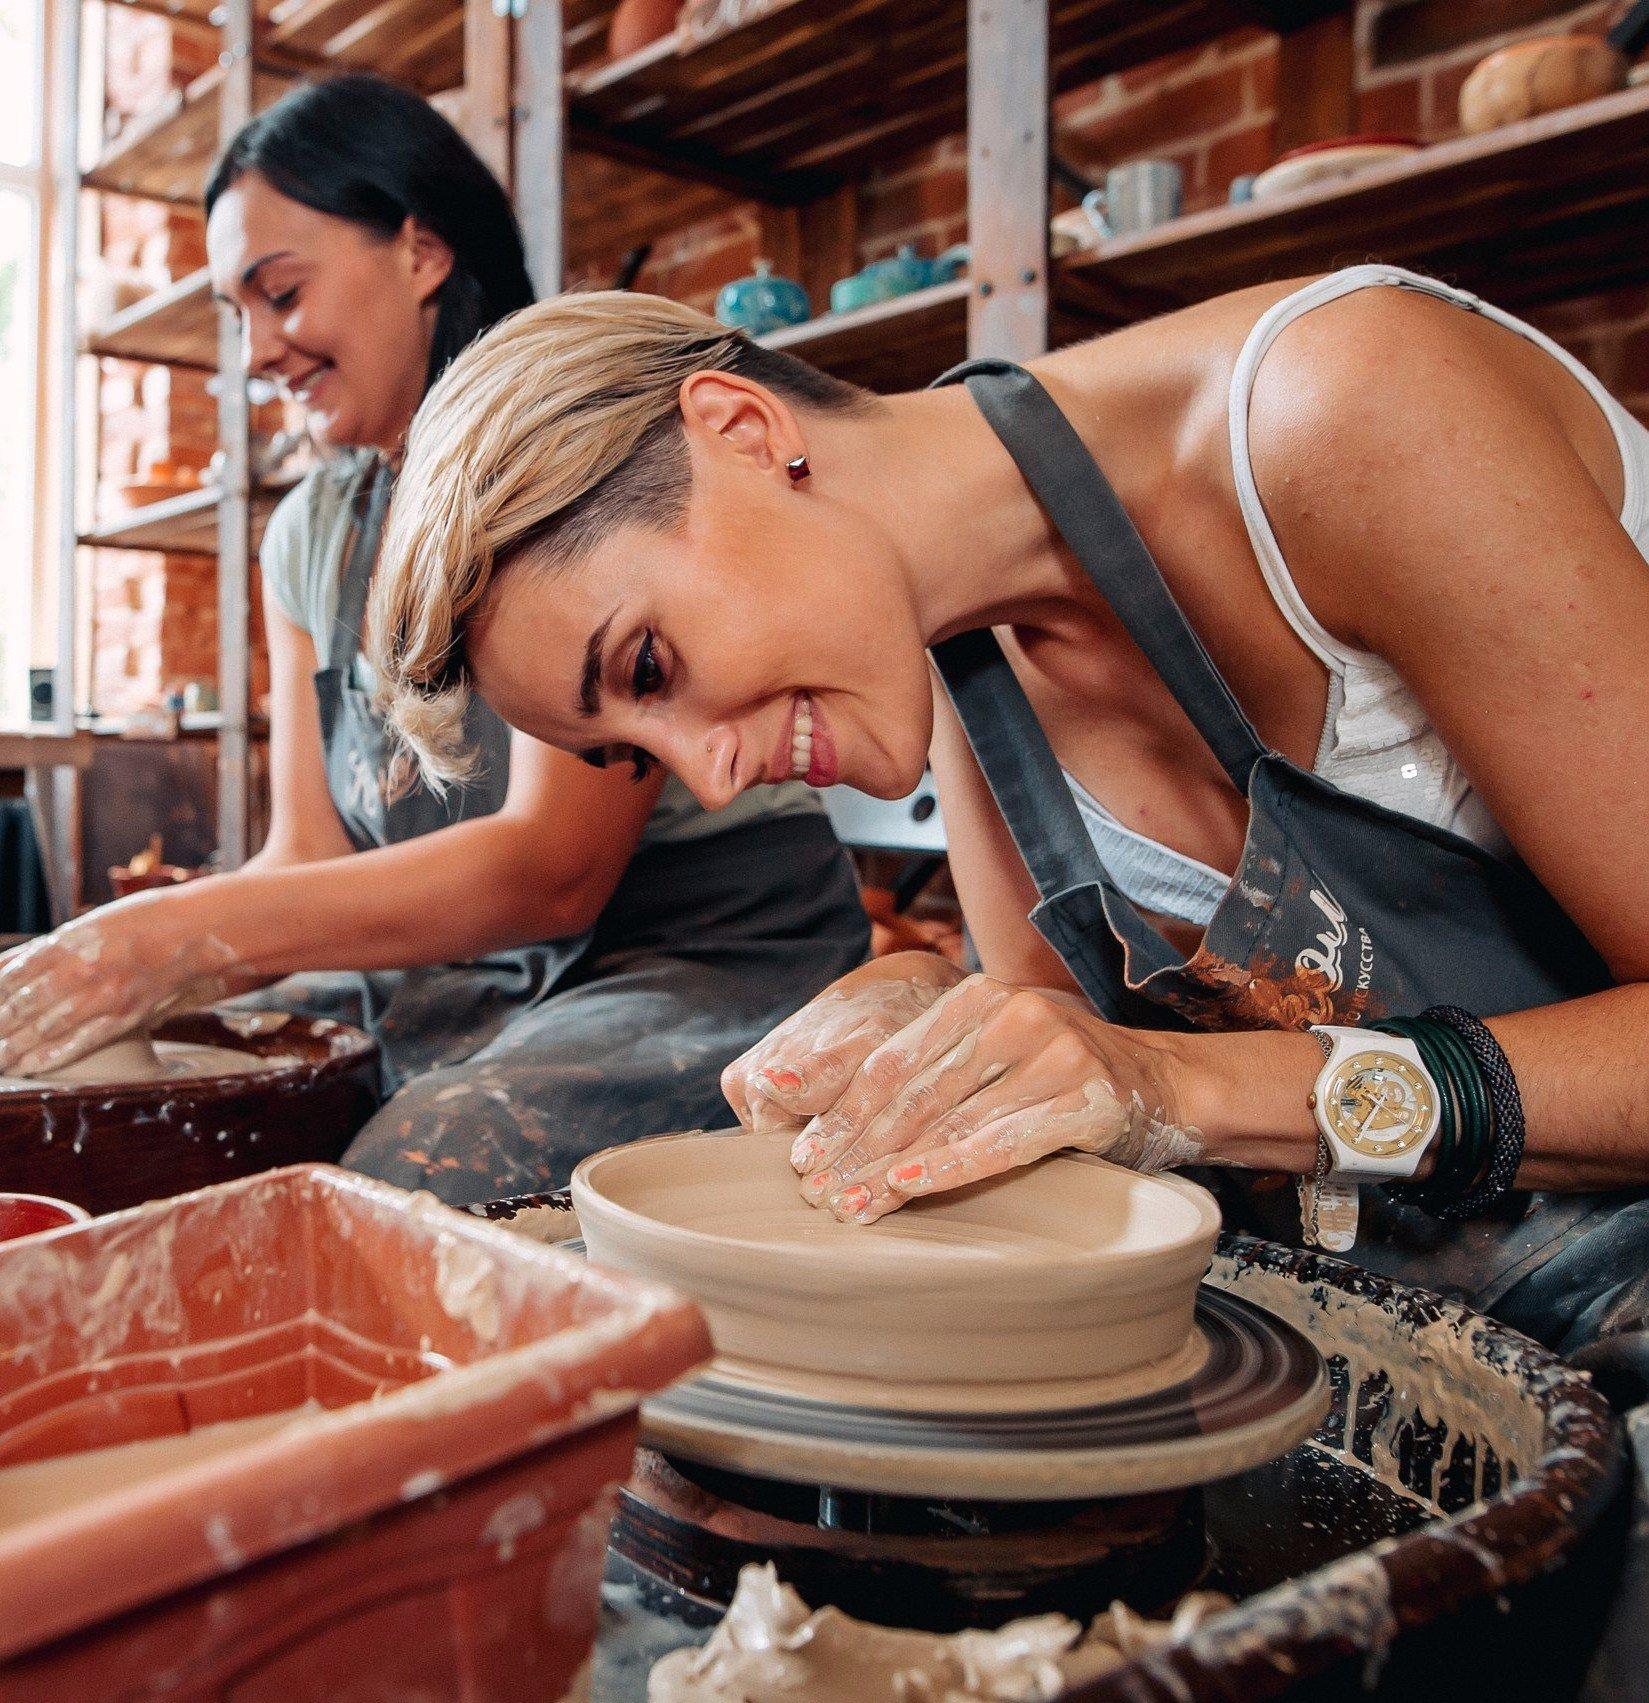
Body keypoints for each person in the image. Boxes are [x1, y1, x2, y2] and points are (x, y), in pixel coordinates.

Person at [365, 268, 1649, 1358]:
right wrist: (955, 1035)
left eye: (647, 668)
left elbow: (1183, 1095)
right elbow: (1099, 1127)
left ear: (743, 428)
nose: (703, 777)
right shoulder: (956, 674)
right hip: (1436, 1296)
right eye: (627, 751)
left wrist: (1182, 1082)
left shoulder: (1344, 406)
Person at [0, 76, 867, 1202]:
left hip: (692, 953)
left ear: (420, 251)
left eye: (281, 291)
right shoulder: (309, 532)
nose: (258, 349)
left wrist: (177, 931)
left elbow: (553, 868)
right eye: (235, 313)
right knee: (184, 1119)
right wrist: (125, 968)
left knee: (416, 1166)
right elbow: (309, 852)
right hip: (469, 974)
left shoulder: (567, 447)